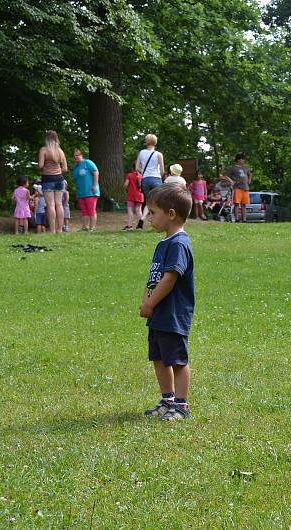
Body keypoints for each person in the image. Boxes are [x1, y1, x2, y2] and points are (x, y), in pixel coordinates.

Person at [139, 183, 195, 421]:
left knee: (177, 360)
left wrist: (151, 304)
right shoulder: (163, 243)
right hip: (158, 313)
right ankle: (167, 400)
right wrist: (146, 301)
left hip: (172, 313)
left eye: (152, 213)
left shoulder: (179, 244)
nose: (148, 217)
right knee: (159, 358)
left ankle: (181, 406)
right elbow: (154, 277)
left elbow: (170, 278)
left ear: (171, 214)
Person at [37, 130, 68, 233]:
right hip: (60, 179)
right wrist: (56, 169)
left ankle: (52, 230)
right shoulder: (60, 151)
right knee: (59, 204)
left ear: (46, 139)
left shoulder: (44, 150)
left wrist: (41, 167)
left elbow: (41, 165)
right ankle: (60, 229)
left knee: (50, 205)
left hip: (48, 179)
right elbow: (65, 168)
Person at [136, 134, 165, 229]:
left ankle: (142, 218)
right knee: (157, 202)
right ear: (155, 142)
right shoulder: (158, 154)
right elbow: (162, 170)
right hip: (156, 179)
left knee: (148, 202)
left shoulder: (141, 153)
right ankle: (156, 223)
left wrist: (143, 170)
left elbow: (137, 168)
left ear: (146, 141)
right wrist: (159, 177)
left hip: (145, 179)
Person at [72, 148, 100, 232]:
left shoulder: (87, 163)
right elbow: (77, 181)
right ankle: (85, 227)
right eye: (74, 156)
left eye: (77, 155)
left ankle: (92, 227)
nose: (76, 157)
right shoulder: (75, 168)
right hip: (81, 193)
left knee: (91, 210)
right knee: (84, 211)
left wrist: (95, 185)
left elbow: (96, 172)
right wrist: (77, 192)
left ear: (81, 155)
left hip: (91, 192)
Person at [227, 153, 253, 223]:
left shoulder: (246, 167)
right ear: (238, 160)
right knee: (236, 204)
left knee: (244, 204)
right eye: (242, 159)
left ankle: (244, 219)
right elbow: (227, 176)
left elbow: (250, 174)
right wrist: (233, 180)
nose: (244, 161)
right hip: (237, 187)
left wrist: (249, 180)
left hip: (245, 188)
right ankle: (236, 218)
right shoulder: (233, 168)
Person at [124, 166, 144, 230]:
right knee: (139, 210)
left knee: (130, 210)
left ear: (132, 168)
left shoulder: (129, 175)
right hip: (139, 195)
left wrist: (127, 189)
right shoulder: (141, 176)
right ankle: (140, 226)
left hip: (131, 195)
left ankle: (129, 226)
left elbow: (126, 185)